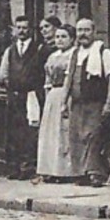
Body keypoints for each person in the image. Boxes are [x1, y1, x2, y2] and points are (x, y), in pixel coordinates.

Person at [67, 18, 110, 185]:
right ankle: (80, 173)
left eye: (86, 30)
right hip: (77, 103)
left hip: (95, 102)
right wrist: (64, 101)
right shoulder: (75, 53)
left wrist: (108, 103)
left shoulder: (104, 52)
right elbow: (69, 78)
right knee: (76, 138)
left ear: (94, 32)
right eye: (80, 30)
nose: (83, 34)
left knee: (93, 137)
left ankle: (95, 173)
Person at [0, 14, 47, 179]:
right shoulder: (10, 50)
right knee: (14, 131)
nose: (22, 31)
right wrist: (9, 85)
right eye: (19, 28)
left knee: (30, 132)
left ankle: (28, 167)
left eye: (25, 28)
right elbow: (3, 72)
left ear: (31, 30)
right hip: (14, 95)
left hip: (32, 94)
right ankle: (14, 167)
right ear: (14, 30)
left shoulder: (39, 48)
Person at [35, 24, 76, 182]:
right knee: (50, 132)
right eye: (58, 36)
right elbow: (47, 79)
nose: (60, 40)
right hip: (52, 95)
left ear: (72, 39)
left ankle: (65, 172)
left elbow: (69, 79)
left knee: (64, 132)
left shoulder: (73, 55)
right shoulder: (53, 56)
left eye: (64, 37)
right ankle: (50, 170)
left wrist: (65, 100)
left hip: (66, 94)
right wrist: (47, 96)